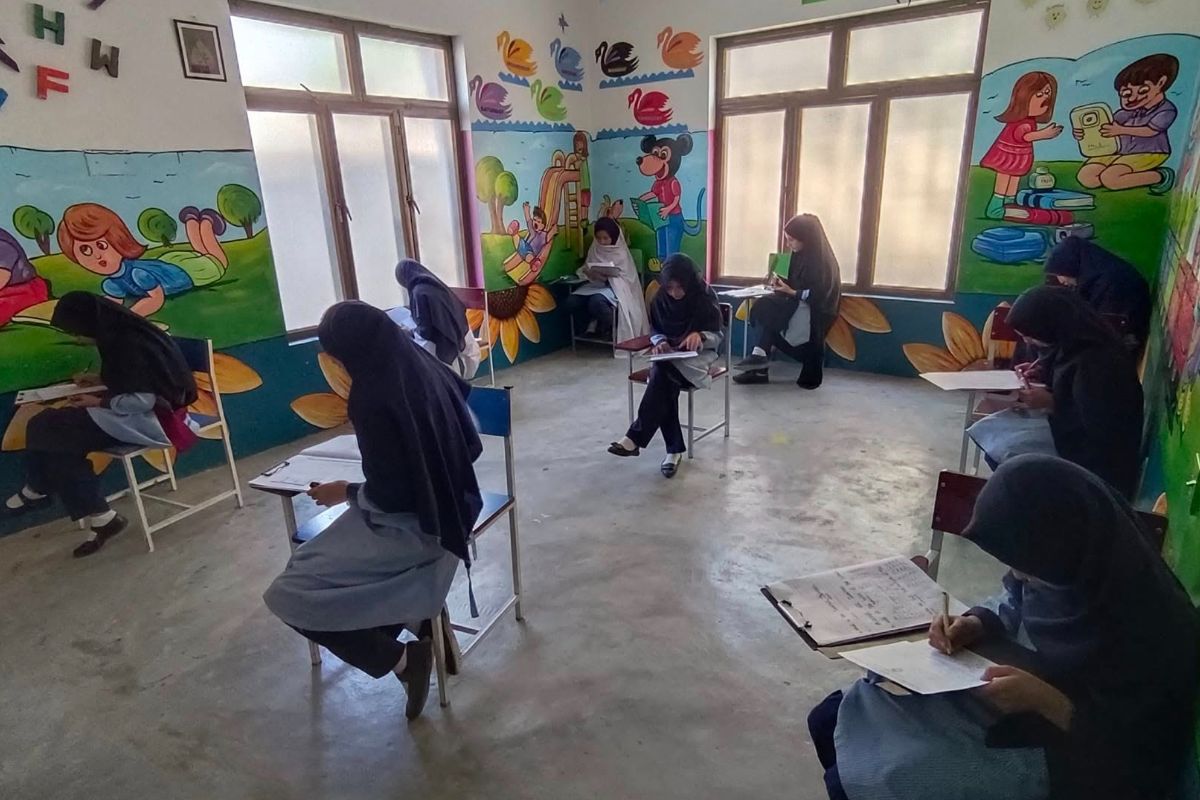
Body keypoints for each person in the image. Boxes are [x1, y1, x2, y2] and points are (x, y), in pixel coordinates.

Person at [808, 455, 1199, 800]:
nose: (1018, 575)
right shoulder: (1072, 562)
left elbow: (1144, 761)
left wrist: (1050, 703)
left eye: (1027, 566)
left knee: (875, 774)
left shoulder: (1155, 629)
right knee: (828, 718)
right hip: (1018, 698)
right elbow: (1014, 598)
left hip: (1075, 758)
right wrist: (975, 622)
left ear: (1061, 551)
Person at [263, 301, 484, 721]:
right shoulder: (421, 362)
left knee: (290, 594)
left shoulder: (372, 395)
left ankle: (402, 660)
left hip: (420, 528)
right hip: (456, 508)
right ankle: (417, 622)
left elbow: (393, 496)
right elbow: (469, 444)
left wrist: (347, 491)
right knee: (322, 567)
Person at [3, 292, 198, 557]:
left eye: (77, 332)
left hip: (152, 420)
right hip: (129, 414)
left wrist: (98, 401)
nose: (77, 338)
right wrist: (100, 380)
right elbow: (135, 379)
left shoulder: (128, 345)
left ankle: (44, 490)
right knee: (45, 426)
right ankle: (82, 508)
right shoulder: (125, 334)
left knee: (55, 436)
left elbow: (142, 400)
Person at [1007, 285, 1143, 497]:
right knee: (1000, 439)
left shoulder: (1098, 363)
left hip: (1098, 471)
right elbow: (1068, 375)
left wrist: (1052, 403)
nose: (1027, 342)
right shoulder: (1077, 340)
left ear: (1050, 325)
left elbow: (1105, 431)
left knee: (1010, 461)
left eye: (1030, 335)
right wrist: (1043, 372)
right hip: (1079, 449)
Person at [607, 254, 722, 478]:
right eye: (670, 288)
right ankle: (671, 451)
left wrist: (701, 336)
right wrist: (659, 341)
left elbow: (718, 335)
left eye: (680, 287)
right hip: (670, 357)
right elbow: (655, 329)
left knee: (661, 376)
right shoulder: (660, 299)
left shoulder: (704, 297)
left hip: (697, 359)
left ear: (689, 281)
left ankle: (638, 439)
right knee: (664, 378)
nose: (675, 293)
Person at [57, 203, 228, 317]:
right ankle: (191, 220)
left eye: (102, 245)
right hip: (166, 262)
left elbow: (156, 299)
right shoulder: (112, 283)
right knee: (200, 252)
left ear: (118, 239)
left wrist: (129, 317)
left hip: (188, 273)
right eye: (85, 250)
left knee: (217, 261)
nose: (97, 256)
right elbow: (113, 302)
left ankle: (206, 223)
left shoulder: (138, 274)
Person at [734, 214, 841, 389]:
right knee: (765, 309)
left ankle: (759, 360)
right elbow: (794, 282)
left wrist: (790, 291)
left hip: (816, 312)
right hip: (797, 305)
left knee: (769, 310)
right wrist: (780, 284)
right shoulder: (799, 255)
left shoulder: (823, 262)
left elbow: (820, 294)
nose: (788, 244)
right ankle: (759, 359)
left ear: (806, 239)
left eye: (792, 240)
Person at [1042, 236, 1150, 354]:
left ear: (1070, 266)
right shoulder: (1099, 274)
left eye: (1060, 273)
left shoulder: (1110, 282)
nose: (1061, 280)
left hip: (1126, 339)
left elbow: (1108, 330)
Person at [980, 71, 1062, 219]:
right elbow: (1023, 136)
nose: (1045, 99)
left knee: (1015, 177)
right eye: (1039, 94)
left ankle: (1009, 203)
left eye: (1047, 94)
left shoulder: (1030, 121)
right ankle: (995, 207)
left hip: (1019, 155)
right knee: (1005, 177)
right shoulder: (1021, 122)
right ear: (1023, 96)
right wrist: (1044, 134)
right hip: (1007, 154)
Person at [395, 258, 481, 379]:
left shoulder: (419, 292)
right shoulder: (435, 284)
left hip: (442, 349)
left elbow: (425, 331)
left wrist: (411, 333)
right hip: (461, 337)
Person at [567, 217, 649, 344]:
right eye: (599, 238)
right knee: (571, 302)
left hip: (617, 289)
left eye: (606, 238)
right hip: (595, 286)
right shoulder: (595, 248)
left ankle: (609, 327)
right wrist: (589, 273)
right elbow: (587, 267)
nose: (602, 242)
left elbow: (628, 279)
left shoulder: (621, 253)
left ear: (614, 237)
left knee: (596, 302)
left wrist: (608, 279)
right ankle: (591, 325)